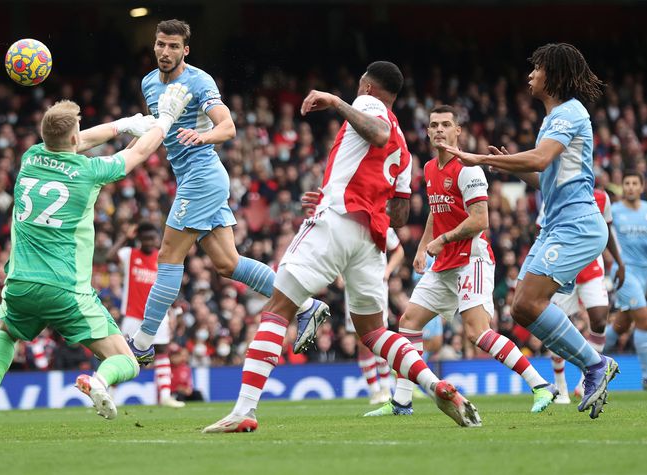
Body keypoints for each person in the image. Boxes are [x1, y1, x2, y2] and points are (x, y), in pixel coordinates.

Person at [203, 61, 481, 433]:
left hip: (337, 220)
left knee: (278, 308)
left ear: (366, 85)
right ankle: (435, 386)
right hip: (371, 238)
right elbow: (399, 213)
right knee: (374, 333)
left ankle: (243, 410)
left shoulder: (368, 105)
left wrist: (336, 101)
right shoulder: (406, 151)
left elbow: (377, 133)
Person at [0, 82, 189, 438]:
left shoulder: (30, 157)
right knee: (126, 360)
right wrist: (165, 120)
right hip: (66, 289)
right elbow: (139, 154)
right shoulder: (88, 172)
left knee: (6, 331)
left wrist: (124, 124)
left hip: (20, 284)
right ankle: (98, 381)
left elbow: (72, 141)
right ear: (72, 139)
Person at [127, 19, 327, 363]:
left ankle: (143, 341)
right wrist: (125, 153)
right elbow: (158, 129)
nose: (166, 51)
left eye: (174, 46)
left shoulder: (198, 81)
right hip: (191, 177)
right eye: (161, 44)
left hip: (202, 177)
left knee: (168, 257)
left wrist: (202, 136)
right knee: (228, 264)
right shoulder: (148, 83)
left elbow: (228, 126)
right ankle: (307, 305)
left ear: (185, 50)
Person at [440, 43, 619, 419]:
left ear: (551, 75)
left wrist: (484, 158)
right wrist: (508, 165)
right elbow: (544, 177)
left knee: (531, 303)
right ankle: (594, 364)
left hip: (577, 223)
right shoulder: (553, 118)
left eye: (536, 69)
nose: (530, 76)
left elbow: (539, 158)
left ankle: (594, 365)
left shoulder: (569, 113)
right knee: (521, 307)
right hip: (556, 224)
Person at [365, 105, 555, 418]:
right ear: (427, 132)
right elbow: (436, 211)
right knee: (409, 322)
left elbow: (480, 220)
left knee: (477, 333)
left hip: (472, 258)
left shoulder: (468, 169)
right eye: (434, 125)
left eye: (446, 125)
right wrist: (425, 245)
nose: (439, 130)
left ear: (458, 132)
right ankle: (401, 402)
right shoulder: (427, 169)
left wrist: (442, 240)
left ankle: (540, 384)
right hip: (444, 262)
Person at [299, 190, 403, 405]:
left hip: (376, 286)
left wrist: (386, 272)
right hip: (353, 288)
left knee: (379, 336)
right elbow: (333, 251)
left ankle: (385, 387)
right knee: (362, 339)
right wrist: (338, 273)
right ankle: (375, 390)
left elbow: (398, 251)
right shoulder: (345, 225)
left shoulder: (381, 221)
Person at [547, 188, 625, 402]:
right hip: (563, 268)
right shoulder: (555, 193)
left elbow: (607, 231)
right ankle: (560, 386)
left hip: (591, 268)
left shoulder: (602, 197)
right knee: (555, 327)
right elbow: (543, 230)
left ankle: (585, 380)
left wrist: (619, 262)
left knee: (600, 320)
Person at [107, 222, 185, 408]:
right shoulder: (129, 254)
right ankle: (109, 394)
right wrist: (126, 235)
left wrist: (178, 312)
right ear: (139, 238)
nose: (150, 241)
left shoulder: (163, 258)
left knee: (162, 351)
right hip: (133, 316)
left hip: (159, 315)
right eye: (146, 238)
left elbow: (169, 287)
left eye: (153, 238)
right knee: (124, 354)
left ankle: (165, 395)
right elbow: (109, 257)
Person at [602, 171, 647, 390]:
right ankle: (646, 377)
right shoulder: (615, 212)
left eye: (634, 183)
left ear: (641, 186)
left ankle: (594, 360)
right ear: (623, 187)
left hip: (645, 272)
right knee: (644, 319)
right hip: (624, 271)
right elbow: (603, 235)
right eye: (627, 183)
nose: (630, 187)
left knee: (622, 324)